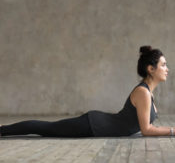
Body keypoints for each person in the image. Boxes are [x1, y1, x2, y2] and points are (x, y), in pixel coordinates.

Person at [0, 46, 173, 138]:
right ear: (151, 68)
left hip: (98, 124)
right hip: (94, 125)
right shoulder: (143, 92)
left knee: (47, 128)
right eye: (163, 65)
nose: (167, 69)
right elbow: (147, 130)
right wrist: (172, 130)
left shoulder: (148, 93)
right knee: (46, 128)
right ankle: (2, 130)